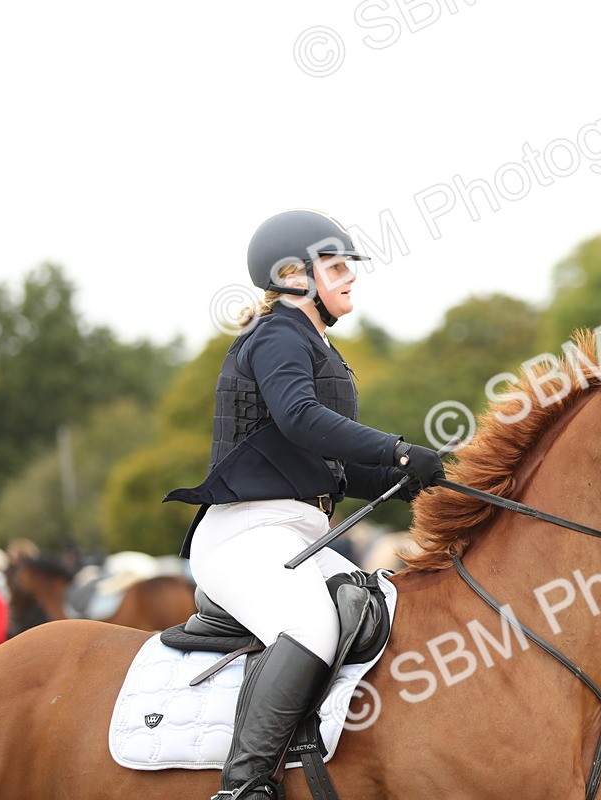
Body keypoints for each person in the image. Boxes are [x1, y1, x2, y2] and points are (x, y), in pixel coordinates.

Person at [165, 209, 445, 800]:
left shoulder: (314, 344)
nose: (350, 277)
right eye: (336, 266)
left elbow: (334, 469)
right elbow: (299, 418)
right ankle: (243, 788)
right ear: (293, 276)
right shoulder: (277, 336)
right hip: (244, 534)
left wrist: (433, 474)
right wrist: (398, 451)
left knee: (379, 611)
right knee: (311, 624)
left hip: (297, 532)